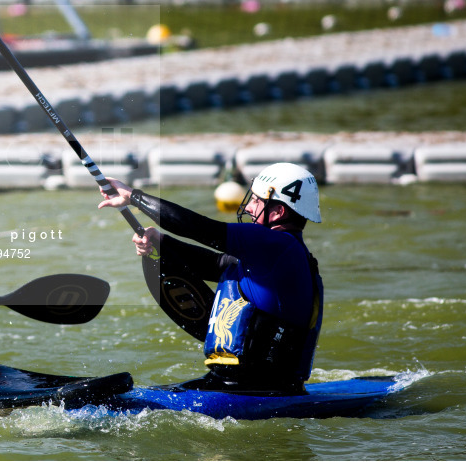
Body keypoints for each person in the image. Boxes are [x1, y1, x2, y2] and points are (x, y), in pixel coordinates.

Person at [98, 163, 323, 393]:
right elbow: (215, 264)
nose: (249, 208)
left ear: (278, 212)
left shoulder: (277, 244)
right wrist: (163, 243)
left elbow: (199, 228)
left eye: (256, 201)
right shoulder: (276, 254)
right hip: (239, 384)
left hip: (258, 388)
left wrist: (134, 197)